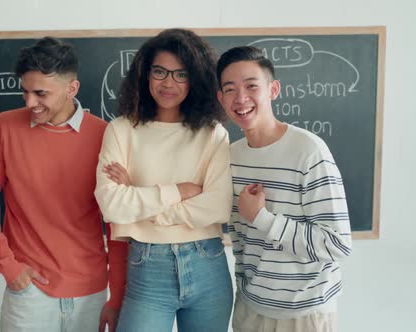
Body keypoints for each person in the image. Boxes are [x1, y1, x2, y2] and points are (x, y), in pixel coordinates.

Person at [94, 28, 234, 332]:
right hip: (147, 266)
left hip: (206, 263)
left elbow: (218, 208)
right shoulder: (121, 130)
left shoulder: (212, 133)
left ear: (195, 79)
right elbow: (111, 205)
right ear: (145, 75)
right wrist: (180, 191)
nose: (168, 82)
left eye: (180, 74)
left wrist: (138, 198)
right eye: (160, 71)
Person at [0, 37, 128, 332]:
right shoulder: (4, 127)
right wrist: (9, 266)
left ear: (72, 89)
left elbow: (117, 224)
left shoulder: (106, 135)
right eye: (25, 91)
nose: (30, 103)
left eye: (41, 93)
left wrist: (116, 296)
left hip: (90, 293)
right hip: (28, 293)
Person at [215, 46, 353, 332]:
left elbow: (337, 244)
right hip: (251, 310)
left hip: (305, 315)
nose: (241, 99)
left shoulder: (309, 151)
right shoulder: (231, 156)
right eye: (230, 89)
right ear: (221, 98)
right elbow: (241, 241)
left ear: (273, 89)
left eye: (251, 86)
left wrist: (262, 218)